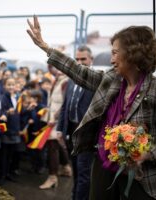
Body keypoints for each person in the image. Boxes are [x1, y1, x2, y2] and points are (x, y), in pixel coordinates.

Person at [27, 15, 156, 200]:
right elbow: (78, 70)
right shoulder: (112, 79)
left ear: (132, 53)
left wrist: (147, 154)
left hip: (142, 177)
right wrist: (45, 47)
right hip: (103, 162)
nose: (111, 59)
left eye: (115, 52)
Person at [57, 45, 94, 200]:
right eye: (77, 59)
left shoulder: (97, 82)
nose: (79, 62)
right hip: (70, 133)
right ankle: (75, 195)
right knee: (76, 171)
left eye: (83, 59)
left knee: (84, 172)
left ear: (91, 60)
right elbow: (65, 106)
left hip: (87, 136)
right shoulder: (71, 81)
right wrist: (60, 129)